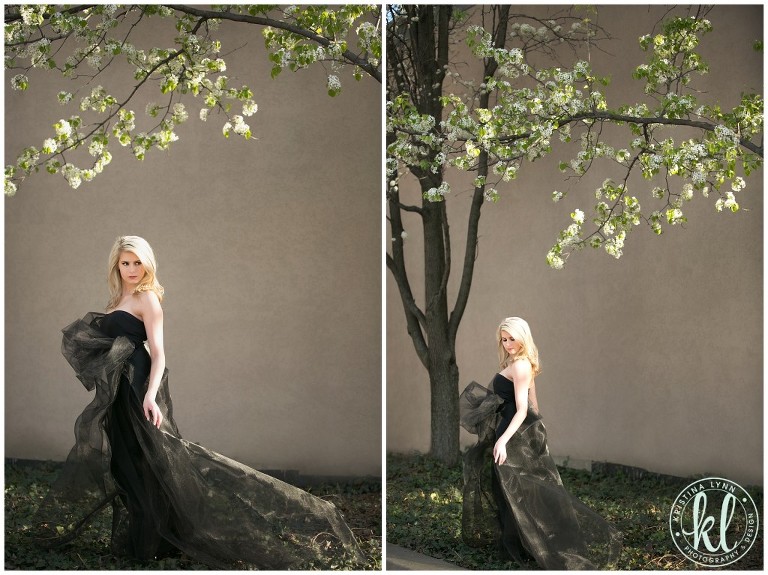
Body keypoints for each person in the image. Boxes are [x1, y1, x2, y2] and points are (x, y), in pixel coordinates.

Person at [32, 236, 364, 569]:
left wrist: (150, 393)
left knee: (151, 462)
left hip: (137, 386)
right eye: (125, 263)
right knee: (125, 462)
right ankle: (147, 539)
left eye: (137, 262)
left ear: (147, 264)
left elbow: (159, 353)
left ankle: (152, 545)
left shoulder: (148, 298)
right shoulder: (118, 298)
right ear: (116, 266)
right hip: (118, 389)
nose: (132, 269)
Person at [459, 316, 621, 570]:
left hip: (512, 435)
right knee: (514, 491)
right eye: (504, 339)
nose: (509, 343)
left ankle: (533, 547)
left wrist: (503, 441)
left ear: (523, 336)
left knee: (517, 491)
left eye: (513, 338)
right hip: (515, 433)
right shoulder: (518, 362)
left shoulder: (521, 365)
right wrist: (535, 436)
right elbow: (534, 404)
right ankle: (525, 545)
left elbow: (524, 410)